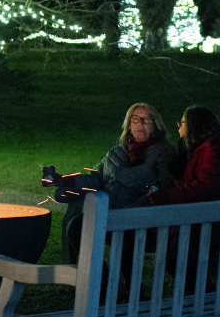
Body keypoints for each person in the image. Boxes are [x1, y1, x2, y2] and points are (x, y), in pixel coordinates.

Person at [144, 106, 220, 293]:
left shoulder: (213, 151)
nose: (179, 127)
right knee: (170, 246)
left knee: (179, 247)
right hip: (206, 219)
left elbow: (205, 188)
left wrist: (168, 195)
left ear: (193, 126)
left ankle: (200, 297)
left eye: (182, 123)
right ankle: (194, 296)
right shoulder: (201, 150)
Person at [63, 103, 178, 262]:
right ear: (129, 124)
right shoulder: (117, 152)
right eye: (135, 119)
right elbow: (95, 177)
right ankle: (101, 278)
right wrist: (69, 182)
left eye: (146, 119)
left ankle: (129, 284)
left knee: (127, 236)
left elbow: (165, 186)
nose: (140, 124)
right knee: (76, 226)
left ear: (155, 124)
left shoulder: (164, 152)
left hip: (138, 216)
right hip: (107, 212)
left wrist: (128, 212)